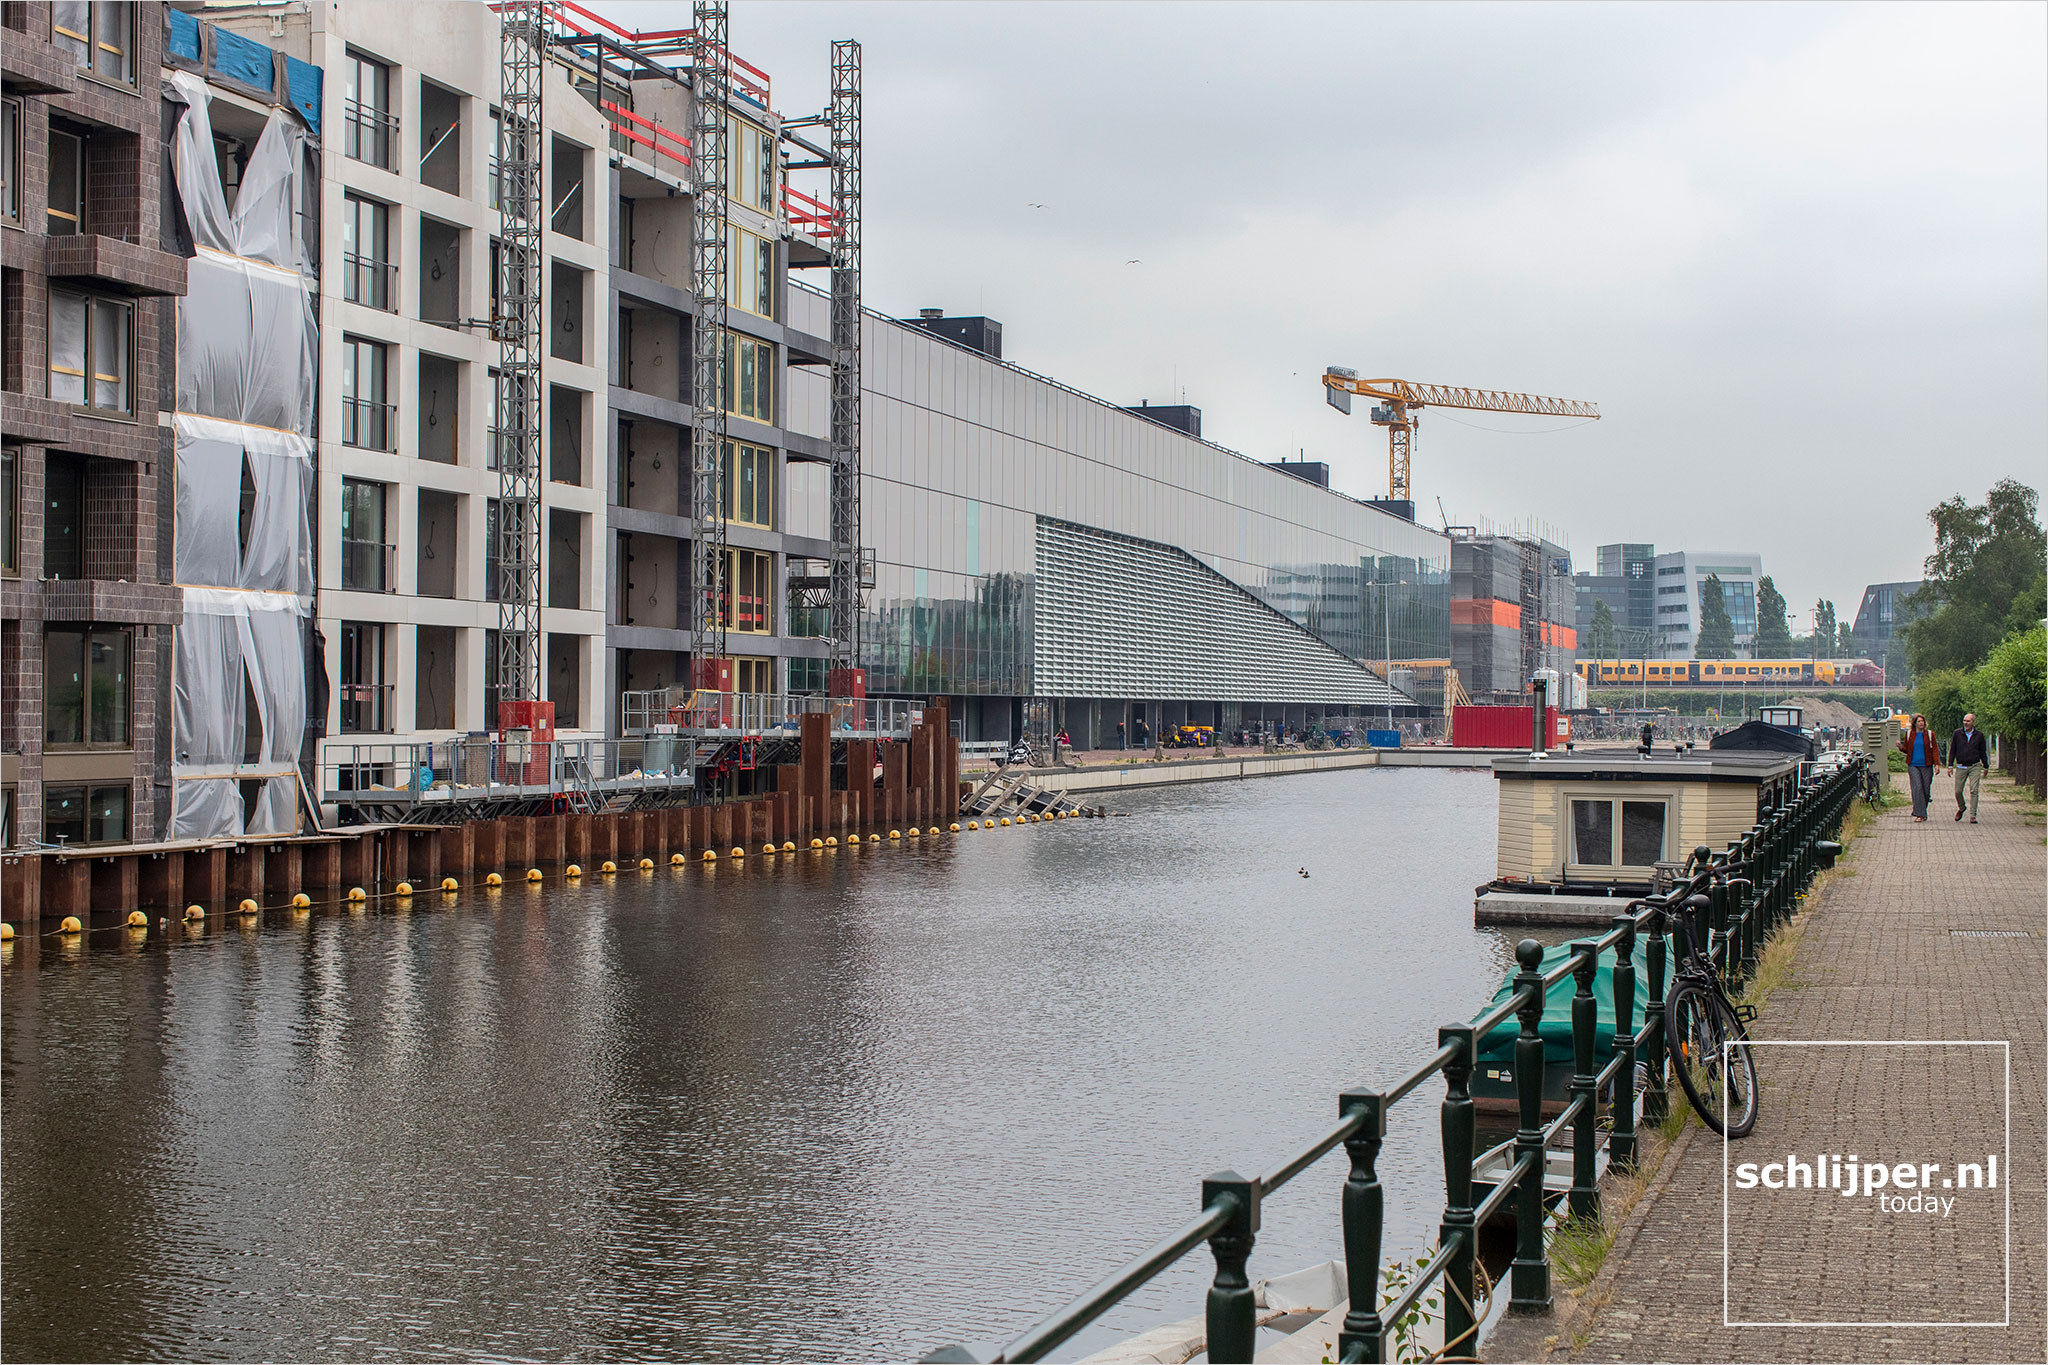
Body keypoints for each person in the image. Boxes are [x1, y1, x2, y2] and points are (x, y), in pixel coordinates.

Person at [1899, 712, 1941, 821]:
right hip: (1913, 765)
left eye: (1922, 721)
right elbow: (1907, 749)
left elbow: (1935, 750)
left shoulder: (1930, 734)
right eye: (1919, 721)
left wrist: (1936, 764)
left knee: (1925, 790)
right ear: (1914, 723)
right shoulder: (1909, 734)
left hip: (1926, 765)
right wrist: (1900, 747)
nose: (1921, 723)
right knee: (1917, 788)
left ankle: (1920, 810)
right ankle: (1920, 814)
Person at [1950, 711, 1989, 823]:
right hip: (1961, 766)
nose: (1966, 723)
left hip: (1975, 766)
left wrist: (1985, 766)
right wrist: (1950, 765)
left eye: (1968, 721)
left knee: (1974, 790)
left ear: (1973, 722)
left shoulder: (1979, 735)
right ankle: (1962, 808)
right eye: (1964, 721)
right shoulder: (1957, 734)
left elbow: (1982, 752)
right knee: (1958, 791)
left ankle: (1973, 815)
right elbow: (1953, 750)